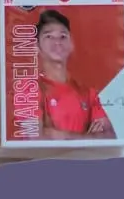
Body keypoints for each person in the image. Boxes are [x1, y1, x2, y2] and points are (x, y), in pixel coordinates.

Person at [33, 9, 115, 138]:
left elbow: (109, 137)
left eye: (63, 36)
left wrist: (56, 134)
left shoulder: (87, 92)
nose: (57, 42)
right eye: (49, 36)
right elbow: (35, 139)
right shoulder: (31, 89)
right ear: (36, 46)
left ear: (71, 44)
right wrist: (88, 138)